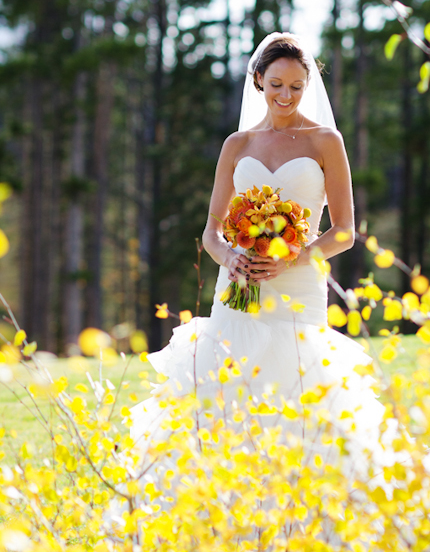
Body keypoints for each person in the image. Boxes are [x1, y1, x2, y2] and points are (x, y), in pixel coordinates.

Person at [130, 33, 392, 481]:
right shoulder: (237, 144)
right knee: (227, 390)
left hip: (298, 286)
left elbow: (345, 232)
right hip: (237, 289)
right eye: (276, 85)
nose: (285, 95)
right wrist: (230, 258)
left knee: (299, 389)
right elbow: (211, 230)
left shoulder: (326, 141)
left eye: (295, 86)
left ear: (307, 85)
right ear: (258, 81)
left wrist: (294, 257)